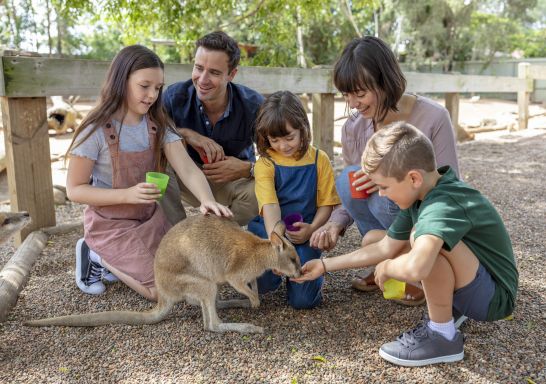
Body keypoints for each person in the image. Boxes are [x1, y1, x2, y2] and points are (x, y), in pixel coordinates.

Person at [294, 122, 518, 366]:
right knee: (376, 239)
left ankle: (443, 336)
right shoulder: (423, 193)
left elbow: (417, 268)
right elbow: (384, 247)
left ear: (413, 177)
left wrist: (388, 267)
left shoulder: (441, 204)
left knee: (419, 240)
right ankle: (450, 308)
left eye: (384, 186)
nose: (380, 194)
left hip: (493, 298)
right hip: (476, 282)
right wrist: (324, 266)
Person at [66, 45, 232, 301]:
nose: (152, 95)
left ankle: (118, 260)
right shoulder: (95, 129)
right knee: (162, 292)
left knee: (189, 275)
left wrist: (207, 200)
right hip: (110, 225)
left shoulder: (157, 125)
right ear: (122, 81)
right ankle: (95, 253)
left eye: (157, 88)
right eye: (144, 86)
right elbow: (74, 190)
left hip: (150, 219)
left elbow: (187, 168)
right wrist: (127, 195)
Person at [310, 36, 460, 305]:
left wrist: (390, 177)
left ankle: (419, 270)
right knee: (348, 179)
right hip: (391, 220)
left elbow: (450, 190)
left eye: (360, 93)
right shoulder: (353, 127)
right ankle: (387, 262)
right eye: (346, 94)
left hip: (423, 220)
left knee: (384, 193)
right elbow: (352, 192)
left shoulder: (434, 117)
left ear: (386, 82)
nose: (353, 103)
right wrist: (335, 223)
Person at [247, 91, 341, 309]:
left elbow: (326, 204)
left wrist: (312, 229)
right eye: (275, 140)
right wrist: (278, 246)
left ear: (303, 129)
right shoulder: (266, 163)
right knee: (264, 284)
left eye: (289, 137)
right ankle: (272, 275)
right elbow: (270, 206)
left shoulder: (319, 159)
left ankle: (308, 279)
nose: (283, 146)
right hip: (271, 232)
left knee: (303, 301)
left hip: (306, 231)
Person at [160, 31, 264, 226]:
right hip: (187, 177)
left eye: (214, 72)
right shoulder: (174, 97)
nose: (202, 79)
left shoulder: (255, 106)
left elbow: (282, 161)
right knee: (156, 161)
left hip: (235, 183)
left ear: (231, 74)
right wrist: (187, 134)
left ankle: (213, 232)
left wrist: (246, 168)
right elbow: (152, 131)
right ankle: (176, 233)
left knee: (264, 189)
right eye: (199, 68)